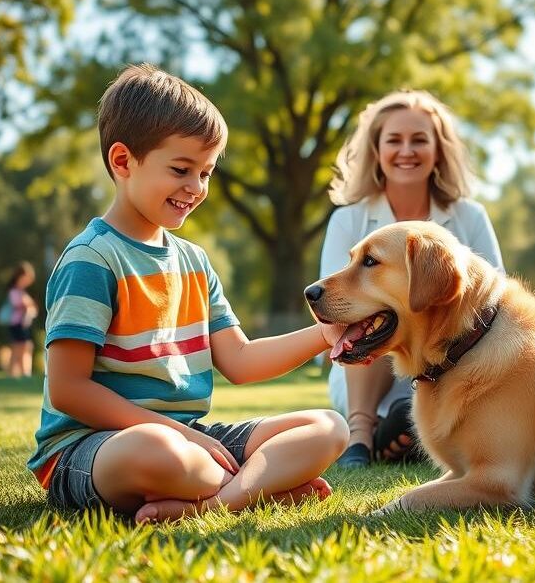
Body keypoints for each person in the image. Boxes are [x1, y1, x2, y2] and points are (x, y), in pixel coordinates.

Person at [26, 64, 349, 524]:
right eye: (181, 169)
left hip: (192, 438)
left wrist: (327, 332)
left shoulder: (194, 261)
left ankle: (217, 503)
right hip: (92, 446)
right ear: (123, 162)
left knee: (327, 427)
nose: (196, 188)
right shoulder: (92, 259)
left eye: (206, 173)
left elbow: (240, 359)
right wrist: (181, 435)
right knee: (160, 451)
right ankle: (262, 488)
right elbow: (68, 389)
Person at [321, 89, 504, 468]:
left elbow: (495, 304)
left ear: (438, 151)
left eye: (419, 140)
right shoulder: (349, 218)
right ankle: (361, 435)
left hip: (457, 365)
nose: (407, 150)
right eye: (394, 140)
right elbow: (334, 306)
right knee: (368, 319)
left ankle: (407, 430)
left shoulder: (468, 216)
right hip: (369, 377)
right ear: (377, 150)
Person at [5, 262, 38, 378]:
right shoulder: (14, 291)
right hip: (17, 323)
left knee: (24, 346)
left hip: (23, 323)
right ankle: (15, 373)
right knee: (19, 347)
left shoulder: (22, 292)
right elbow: (18, 305)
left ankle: (23, 372)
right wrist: (27, 306)